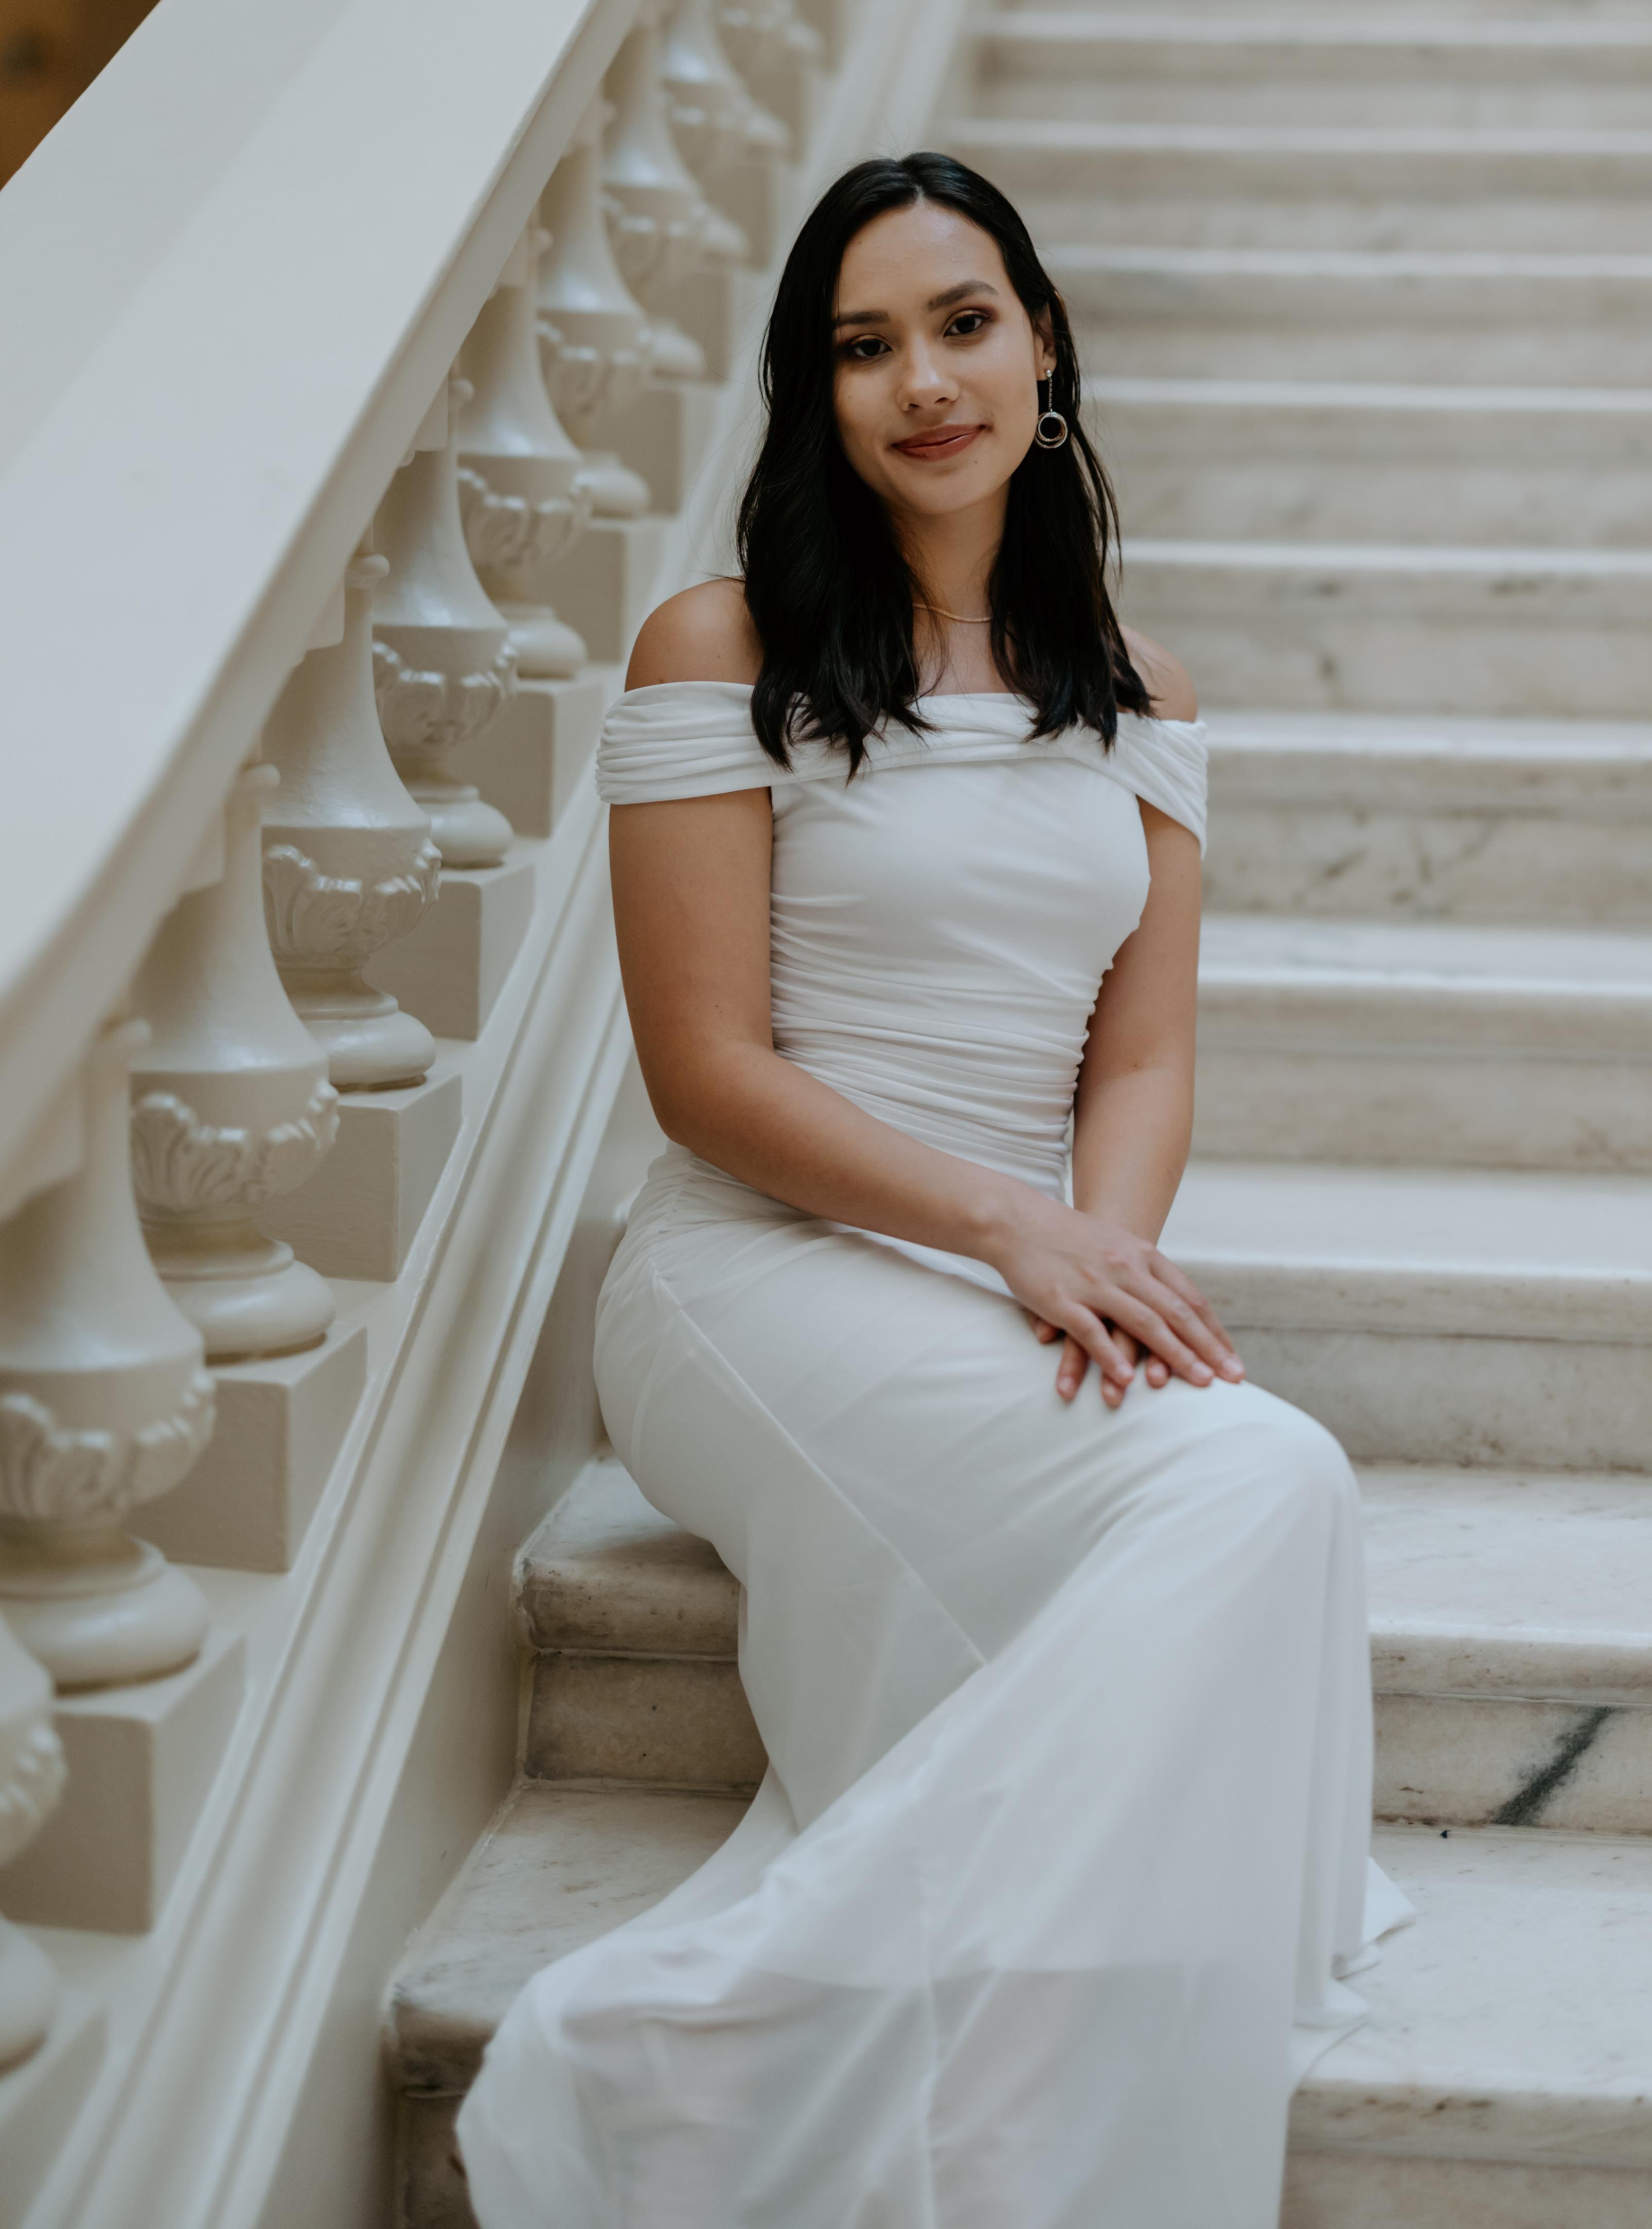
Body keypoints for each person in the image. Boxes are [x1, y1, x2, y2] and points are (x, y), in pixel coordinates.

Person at [458, 151, 1406, 2229]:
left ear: (1043, 345)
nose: (925, 382)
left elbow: (1140, 1049)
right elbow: (705, 1073)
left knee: (1273, 1473)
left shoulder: (1137, 692)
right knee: (1254, 1487)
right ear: (818, 395)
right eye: (863, 347)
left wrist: (1104, 1258)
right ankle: (716, 2039)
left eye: (963, 324)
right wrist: (1011, 1230)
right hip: (759, 1271)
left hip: (1021, 1271)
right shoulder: (720, 641)